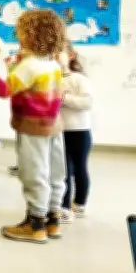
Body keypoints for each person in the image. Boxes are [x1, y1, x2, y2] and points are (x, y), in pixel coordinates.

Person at [0, 9, 65, 243]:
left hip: (32, 127)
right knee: (56, 173)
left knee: (34, 173)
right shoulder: (51, 63)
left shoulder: (30, 65)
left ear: (29, 34)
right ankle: (52, 220)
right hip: (53, 124)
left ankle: (35, 225)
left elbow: (5, 90)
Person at [57, 42, 93, 223]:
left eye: (58, 52)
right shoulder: (52, 78)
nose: (55, 56)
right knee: (63, 170)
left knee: (79, 168)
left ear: (70, 55)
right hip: (59, 131)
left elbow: (86, 103)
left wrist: (63, 98)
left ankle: (79, 204)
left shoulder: (79, 79)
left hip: (79, 131)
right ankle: (64, 208)